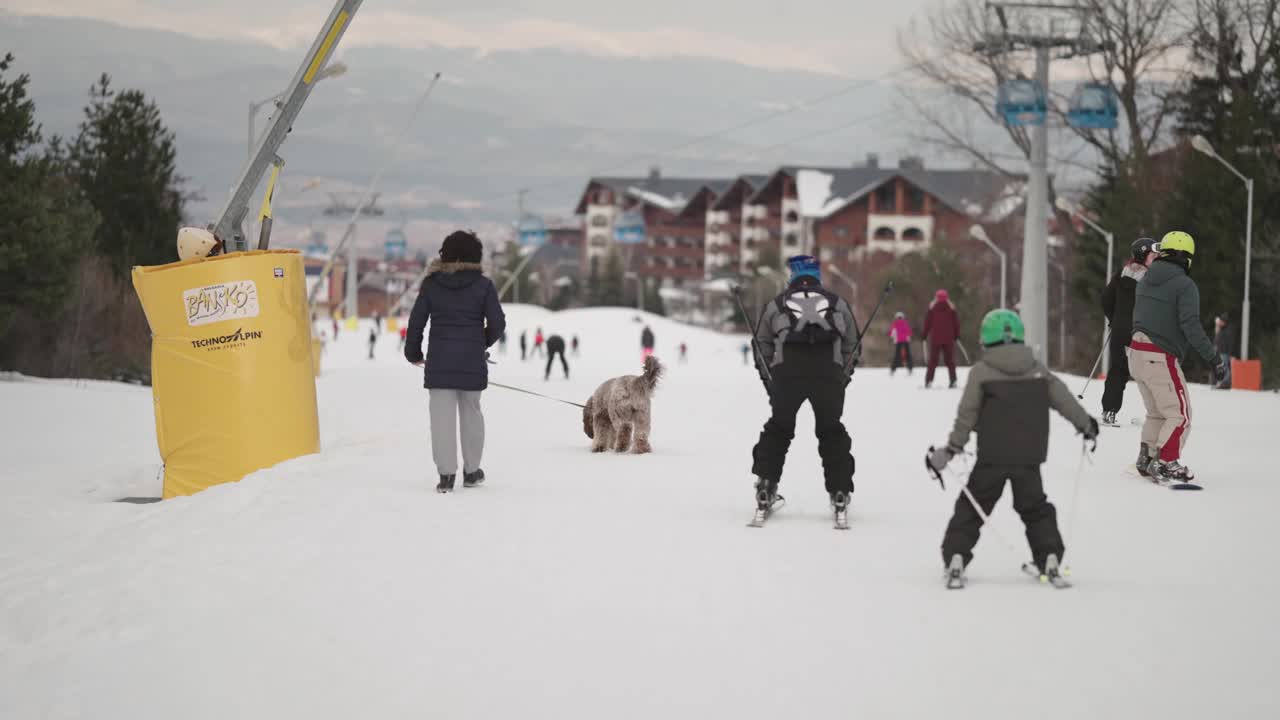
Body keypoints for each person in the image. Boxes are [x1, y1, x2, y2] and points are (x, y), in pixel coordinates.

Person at [927, 309, 1098, 588]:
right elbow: (1065, 400)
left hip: (992, 457)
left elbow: (966, 415)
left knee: (972, 508)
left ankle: (956, 556)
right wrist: (1087, 425)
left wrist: (953, 448)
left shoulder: (981, 373)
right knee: (1035, 509)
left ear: (986, 340)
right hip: (1028, 458)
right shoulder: (1038, 370)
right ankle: (1050, 556)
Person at [750, 255, 860, 524]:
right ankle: (840, 492)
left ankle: (765, 486)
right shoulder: (837, 303)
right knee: (831, 431)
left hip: (787, 374)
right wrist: (841, 376)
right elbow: (852, 344)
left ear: (793, 276)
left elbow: (761, 344)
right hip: (828, 374)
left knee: (779, 429)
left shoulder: (778, 303)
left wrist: (770, 380)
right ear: (817, 275)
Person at [405, 230, 507, 493]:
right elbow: (497, 323)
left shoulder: (431, 284)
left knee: (441, 419)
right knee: (472, 415)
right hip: (472, 363)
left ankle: (446, 475)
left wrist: (413, 353)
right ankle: (472, 471)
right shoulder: (484, 286)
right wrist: (479, 343)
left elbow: (416, 322)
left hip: (439, 362)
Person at [1129, 231, 1224, 483]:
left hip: (1136, 354)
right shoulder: (1184, 285)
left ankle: (1147, 457)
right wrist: (1214, 358)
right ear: (1186, 257)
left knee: (1157, 412)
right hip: (1159, 356)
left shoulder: (1146, 278)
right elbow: (1191, 326)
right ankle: (1165, 461)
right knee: (1180, 414)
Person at [1100, 238, 1157, 425]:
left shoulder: (1121, 274)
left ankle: (1109, 411)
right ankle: (1156, 414)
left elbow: (1106, 300)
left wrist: (1114, 320)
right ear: (1143, 255)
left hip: (1119, 331)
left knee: (1117, 371)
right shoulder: (1150, 279)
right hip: (1140, 332)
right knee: (1151, 371)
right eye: (1152, 254)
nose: (1156, 257)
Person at [923, 289, 960, 389]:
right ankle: (953, 380)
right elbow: (956, 324)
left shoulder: (932, 309)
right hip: (948, 339)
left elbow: (927, 323)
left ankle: (928, 381)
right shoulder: (951, 309)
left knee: (933, 361)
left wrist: (924, 335)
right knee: (950, 361)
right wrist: (956, 335)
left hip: (936, 338)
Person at [888, 311, 914, 375]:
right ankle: (910, 368)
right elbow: (909, 332)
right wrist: (908, 337)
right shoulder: (905, 323)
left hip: (898, 341)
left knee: (897, 355)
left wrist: (891, 336)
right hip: (906, 341)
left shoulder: (895, 324)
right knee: (908, 355)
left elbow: (892, 333)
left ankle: (893, 369)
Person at [1213, 314, 1234, 389]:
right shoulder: (1221, 329)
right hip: (1220, 351)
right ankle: (1222, 382)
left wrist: (1229, 353)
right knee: (1221, 367)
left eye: (1221, 321)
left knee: (1224, 367)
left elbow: (1229, 342)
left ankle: (1225, 382)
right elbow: (1217, 339)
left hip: (1224, 352)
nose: (1220, 323)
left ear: (1224, 322)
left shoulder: (1227, 330)